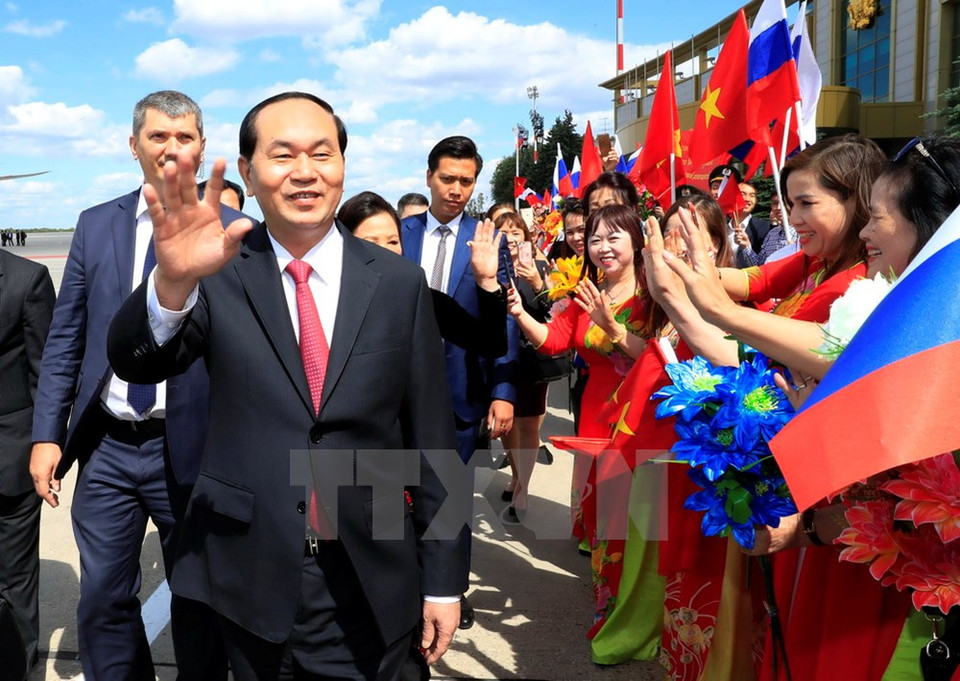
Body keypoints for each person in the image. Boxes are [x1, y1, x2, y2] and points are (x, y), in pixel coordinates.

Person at [107, 91, 468, 681]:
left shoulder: (398, 285)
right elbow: (137, 360)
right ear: (248, 173)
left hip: (370, 561)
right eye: (282, 156)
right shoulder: (217, 270)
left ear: (343, 165)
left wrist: (447, 581)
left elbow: (433, 441)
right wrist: (169, 285)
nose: (305, 172)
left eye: (321, 153)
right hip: (252, 570)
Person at [30, 90, 242, 681]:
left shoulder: (235, 232)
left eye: (184, 137)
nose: (171, 149)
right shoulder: (97, 225)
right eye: (158, 137)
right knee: (102, 599)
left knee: (200, 600)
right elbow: (66, 339)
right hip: (107, 446)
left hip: (196, 446)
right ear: (133, 147)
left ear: (202, 147)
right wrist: (47, 435)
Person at [662, 133, 888, 678]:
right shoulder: (816, 263)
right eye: (789, 203)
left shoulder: (857, 286)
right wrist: (686, 264)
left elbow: (753, 346)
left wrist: (690, 300)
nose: (794, 216)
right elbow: (752, 279)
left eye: (808, 203)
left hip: (827, 480)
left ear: (856, 201)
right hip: (790, 461)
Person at [755, 135, 960, 681]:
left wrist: (809, 528)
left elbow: (928, 510)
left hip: (912, 613)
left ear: (932, 226)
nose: (868, 232)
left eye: (879, 217)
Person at [509, 204, 668, 664]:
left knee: (636, 526)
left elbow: (663, 361)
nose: (602, 247)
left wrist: (613, 328)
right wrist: (520, 313)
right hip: (596, 419)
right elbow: (555, 340)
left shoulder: (655, 296)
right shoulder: (587, 293)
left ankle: (637, 621)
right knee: (604, 526)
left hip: (643, 421)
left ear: (636, 241)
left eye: (613, 238)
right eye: (595, 239)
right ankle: (609, 609)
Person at [400, 135, 518, 630]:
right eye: (447, 178)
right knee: (392, 496)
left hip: (461, 393)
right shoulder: (395, 235)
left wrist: (502, 391)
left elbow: (505, 320)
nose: (455, 189)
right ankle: (402, 590)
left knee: (450, 499)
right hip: (397, 392)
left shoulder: (490, 239)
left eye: (465, 181)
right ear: (429, 177)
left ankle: (449, 589)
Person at [337, 190, 508, 358]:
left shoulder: (420, 299)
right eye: (371, 242)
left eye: (393, 241)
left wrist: (487, 281)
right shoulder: (325, 298)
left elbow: (491, 344)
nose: (385, 251)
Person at [0, 250, 54, 674]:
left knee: (15, 578)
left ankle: (17, 665)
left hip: (9, 458)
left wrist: (46, 444)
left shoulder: (26, 279)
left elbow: (45, 373)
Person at [494, 212, 553, 522]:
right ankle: (516, 472)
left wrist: (538, 282)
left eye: (517, 231)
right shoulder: (489, 269)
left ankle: (523, 488)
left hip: (532, 360)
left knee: (528, 425)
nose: (512, 237)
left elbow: (555, 310)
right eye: (504, 231)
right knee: (507, 425)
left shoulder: (541, 267)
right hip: (500, 360)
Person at [731, 181, 772, 265]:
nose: (747, 199)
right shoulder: (721, 227)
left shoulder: (765, 229)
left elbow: (763, 264)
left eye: (752, 195)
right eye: (743, 194)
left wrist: (746, 246)